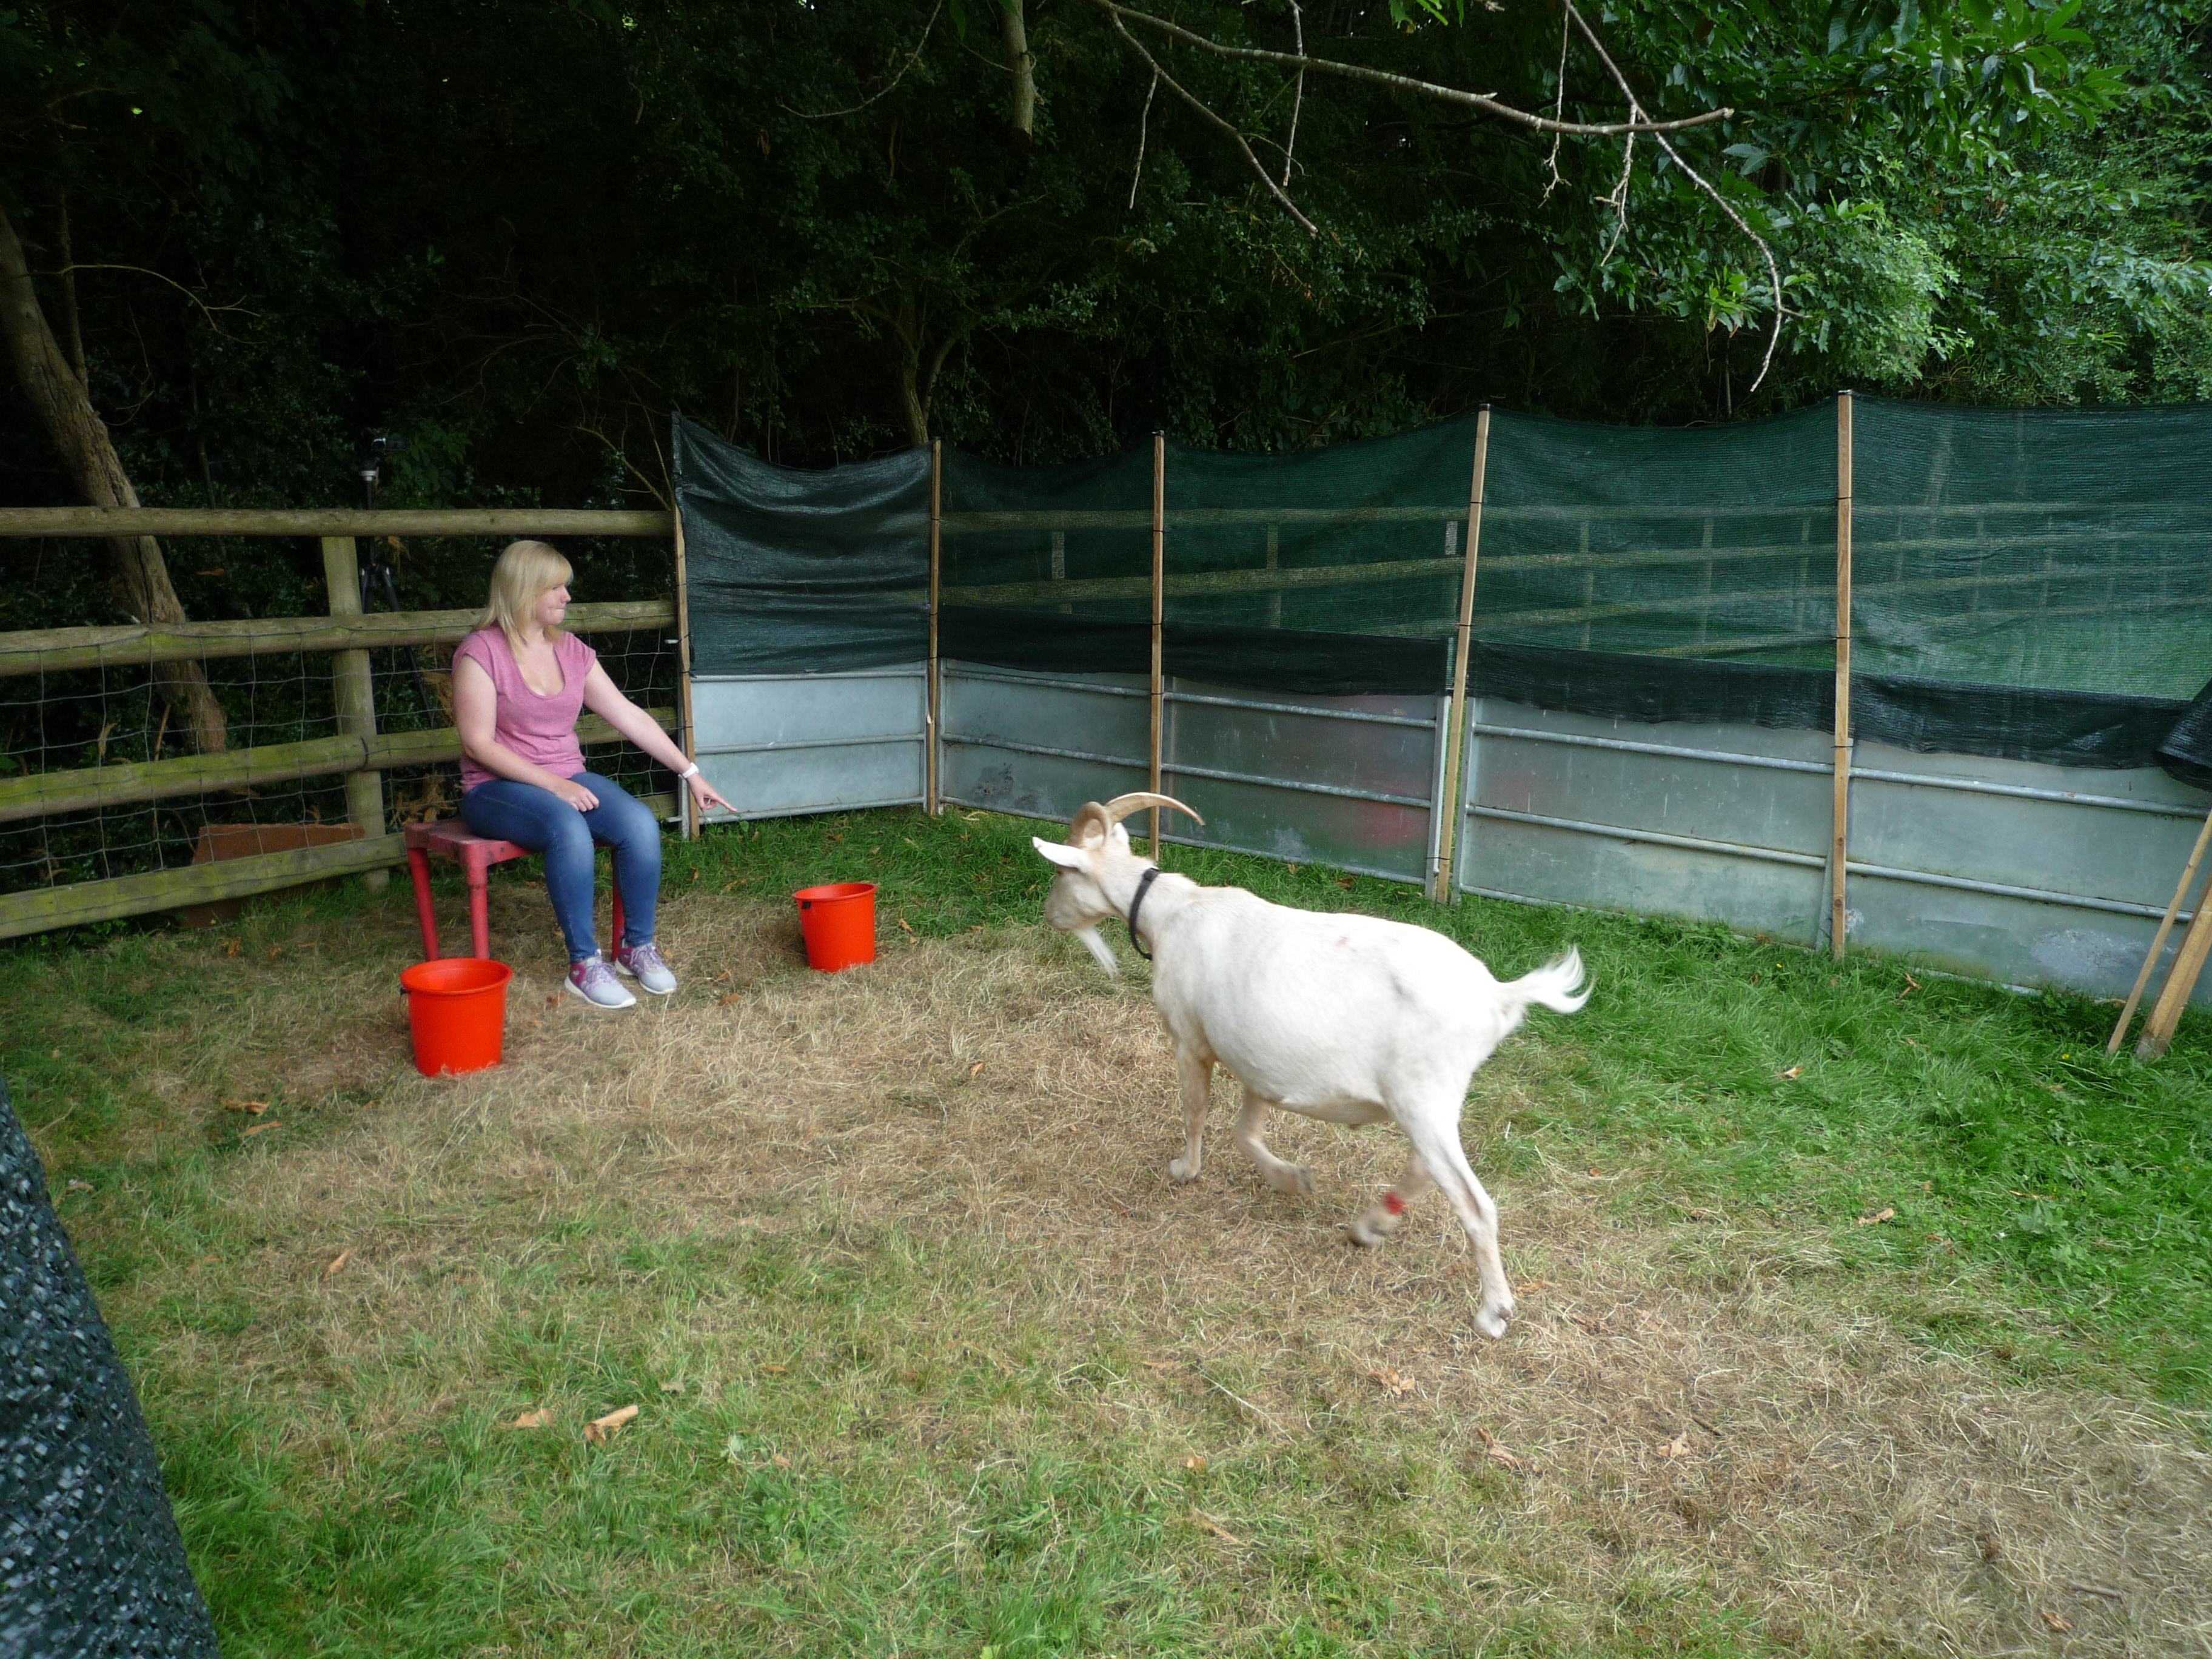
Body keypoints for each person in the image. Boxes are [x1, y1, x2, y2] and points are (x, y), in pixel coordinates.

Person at [454, 540, 731, 1008]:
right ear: (524, 590)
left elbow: (629, 716)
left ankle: (635, 948)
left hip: (565, 778)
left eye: (566, 587)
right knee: (568, 827)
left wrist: (691, 773)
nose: (566, 597)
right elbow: (478, 744)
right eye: (555, 588)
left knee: (640, 823)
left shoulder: (573, 651)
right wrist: (553, 785)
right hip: (496, 790)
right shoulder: (481, 652)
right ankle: (584, 964)